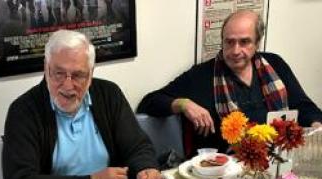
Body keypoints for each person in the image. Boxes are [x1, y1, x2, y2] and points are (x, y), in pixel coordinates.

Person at [3, 29, 164, 179]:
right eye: (58, 73)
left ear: (91, 74)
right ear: (46, 68)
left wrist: (146, 169)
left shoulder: (109, 94)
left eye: (78, 75)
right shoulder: (23, 111)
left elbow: (137, 147)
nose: (67, 85)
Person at [138, 10, 322, 157]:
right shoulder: (201, 75)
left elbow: (303, 106)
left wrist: (316, 125)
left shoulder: (275, 64)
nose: (235, 50)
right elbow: (149, 102)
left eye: (244, 42)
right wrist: (183, 104)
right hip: (223, 168)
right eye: (229, 42)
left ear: (257, 42)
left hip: (277, 157)